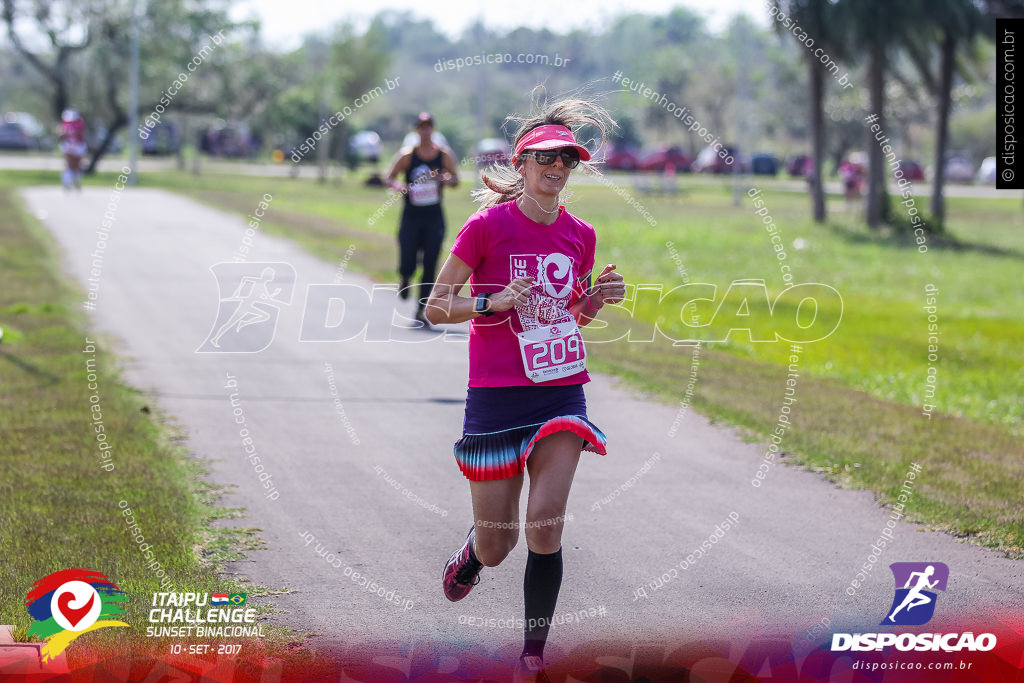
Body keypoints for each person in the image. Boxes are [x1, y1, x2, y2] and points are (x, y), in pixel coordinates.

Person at [425, 96, 626, 682]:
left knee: (546, 520)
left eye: (568, 157)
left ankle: (532, 655)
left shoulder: (581, 235)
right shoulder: (487, 226)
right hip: (495, 395)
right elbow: (437, 307)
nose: (557, 166)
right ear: (523, 164)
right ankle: (472, 556)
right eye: (545, 157)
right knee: (498, 545)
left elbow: (565, 316)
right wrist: (490, 301)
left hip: (559, 391)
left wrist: (593, 300)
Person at [386, 112, 460, 327]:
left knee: (430, 261)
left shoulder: (443, 155)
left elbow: (455, 179)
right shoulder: (408, 155)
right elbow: (389, 177)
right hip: (411, 215)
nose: (425, 130)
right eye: (421, 127)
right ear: (416, 130)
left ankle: (421, 308)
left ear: (433, 129)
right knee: (408, 257)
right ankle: (405, 277)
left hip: (433, 216)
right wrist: (399, 186)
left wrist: (446, 179)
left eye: (428, 127)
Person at [58, 109, 87, 191]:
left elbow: (61, 134)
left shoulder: (65, 125)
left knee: (69, 166)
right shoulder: (80, 124)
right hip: (77, 147)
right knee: (76, 166)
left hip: (70, 146)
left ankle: (68, 182)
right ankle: (74, 181)